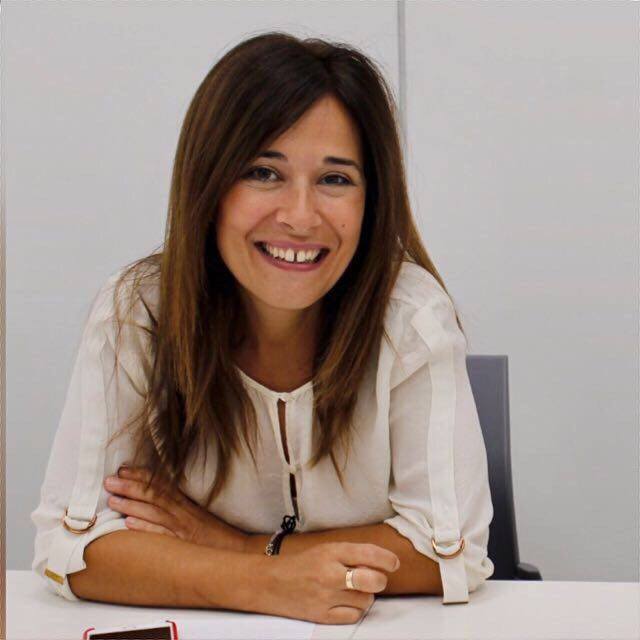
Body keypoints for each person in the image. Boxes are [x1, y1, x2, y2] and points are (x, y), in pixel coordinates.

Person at [30, 31, 494, 625]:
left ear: (372, 201)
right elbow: (70, 549)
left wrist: (236, 546)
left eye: (335, 179)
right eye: (263, 172)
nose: (300, 216)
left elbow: (448, 552)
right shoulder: (138, 311)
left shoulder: (411, 318)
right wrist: (266, 581)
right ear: (208, 186)